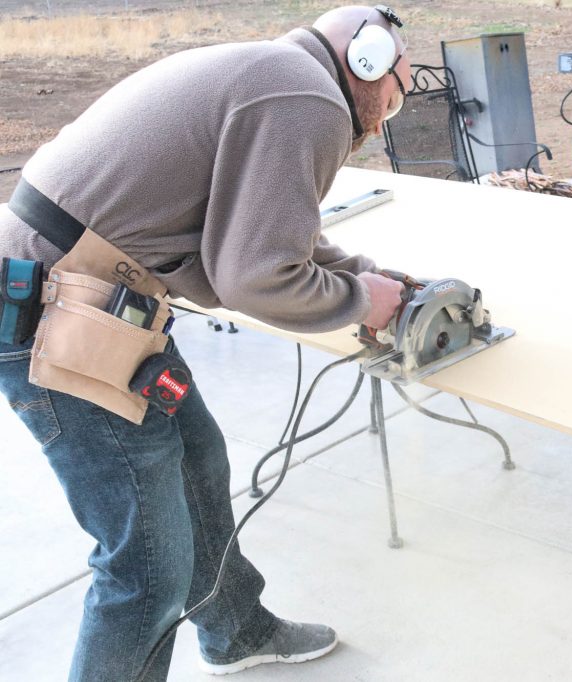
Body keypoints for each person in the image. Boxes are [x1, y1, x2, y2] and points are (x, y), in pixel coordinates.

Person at [0, 5, 411, 680]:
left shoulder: (276, 74)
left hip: (99, 299)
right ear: (364, 60)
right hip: (64, 314)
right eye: (393, 92)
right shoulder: (309, 99)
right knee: (144, 574)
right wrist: (362, 302)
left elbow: (272, 230)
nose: (383, 114)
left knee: (196, 459)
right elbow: (255, 276)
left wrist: (361, 274)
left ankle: (235, 630)